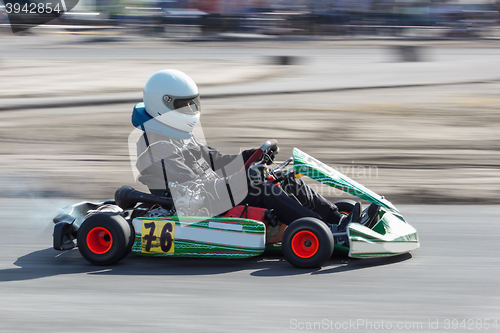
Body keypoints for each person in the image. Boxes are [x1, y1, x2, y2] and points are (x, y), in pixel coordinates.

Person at [132, 69, 357, 228]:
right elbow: (196, 190)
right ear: (161, 105)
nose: (191, 110)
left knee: (285, 179)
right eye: (183, 105)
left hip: (214, 193)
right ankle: (320, 229)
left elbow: (216, 161)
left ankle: (337, 219)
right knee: (264, 189)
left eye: (192, 103)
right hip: (197, 207)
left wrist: (253, 156)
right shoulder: (158, 150)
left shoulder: (177, 137)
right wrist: (245, 179)